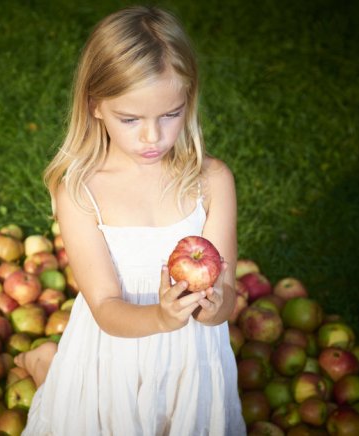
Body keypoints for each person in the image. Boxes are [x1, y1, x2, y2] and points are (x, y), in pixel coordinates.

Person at [13, 5, 246, 435]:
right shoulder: (81, 190)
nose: (151, 137)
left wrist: (213, 310)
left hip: (189, 361)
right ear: (95, 106)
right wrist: (160, 318)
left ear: (188, 101)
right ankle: (46, 363)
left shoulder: (210, 182)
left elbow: (227, 292)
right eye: (131, 119)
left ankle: (45, 359)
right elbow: (103, 306)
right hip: (114, 356)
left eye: (170, 115)